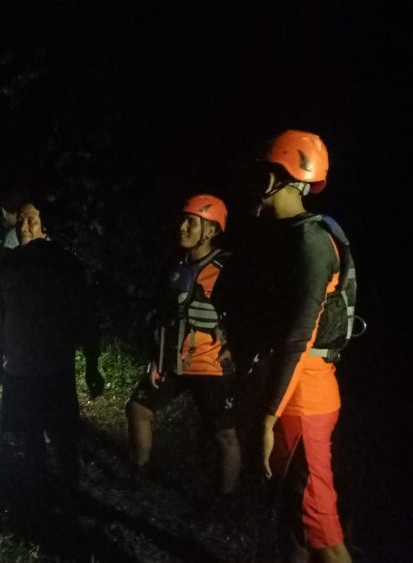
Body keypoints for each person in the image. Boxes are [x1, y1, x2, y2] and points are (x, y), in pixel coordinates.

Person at [247, 130, 353, 563]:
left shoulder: (309, 242)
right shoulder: (291, 236)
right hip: (297, 391)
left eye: (264, 172)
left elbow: (299, 335)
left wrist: (267, 418)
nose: (255, 181)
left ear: (284, 176)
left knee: (320, 528)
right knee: (292, 515)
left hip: (304, 399)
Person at [0, 199, 105, 510]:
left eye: (32, 220)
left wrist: (91, 364)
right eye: (21, 220)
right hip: (18, 369)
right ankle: (38, 492)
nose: (24, 227)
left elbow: (85, 316)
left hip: (54, 369)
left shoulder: (63, 264)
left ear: (45, 225)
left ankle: (69, 494)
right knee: (28, 434)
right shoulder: (8, 267)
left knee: (63, 437)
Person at [125, 194, 242, 499]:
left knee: (225, 436)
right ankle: (139, 473)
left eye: (192, 221)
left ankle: (222, 503)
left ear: (212, 230)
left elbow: (247, 316)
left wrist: (236, 348)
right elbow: (160, 315)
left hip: (209, 365)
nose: (182, 227)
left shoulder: (228, 269)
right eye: (183, 219)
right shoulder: (173, 265)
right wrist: (154, 358)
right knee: (138, 409)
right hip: (171, 361)